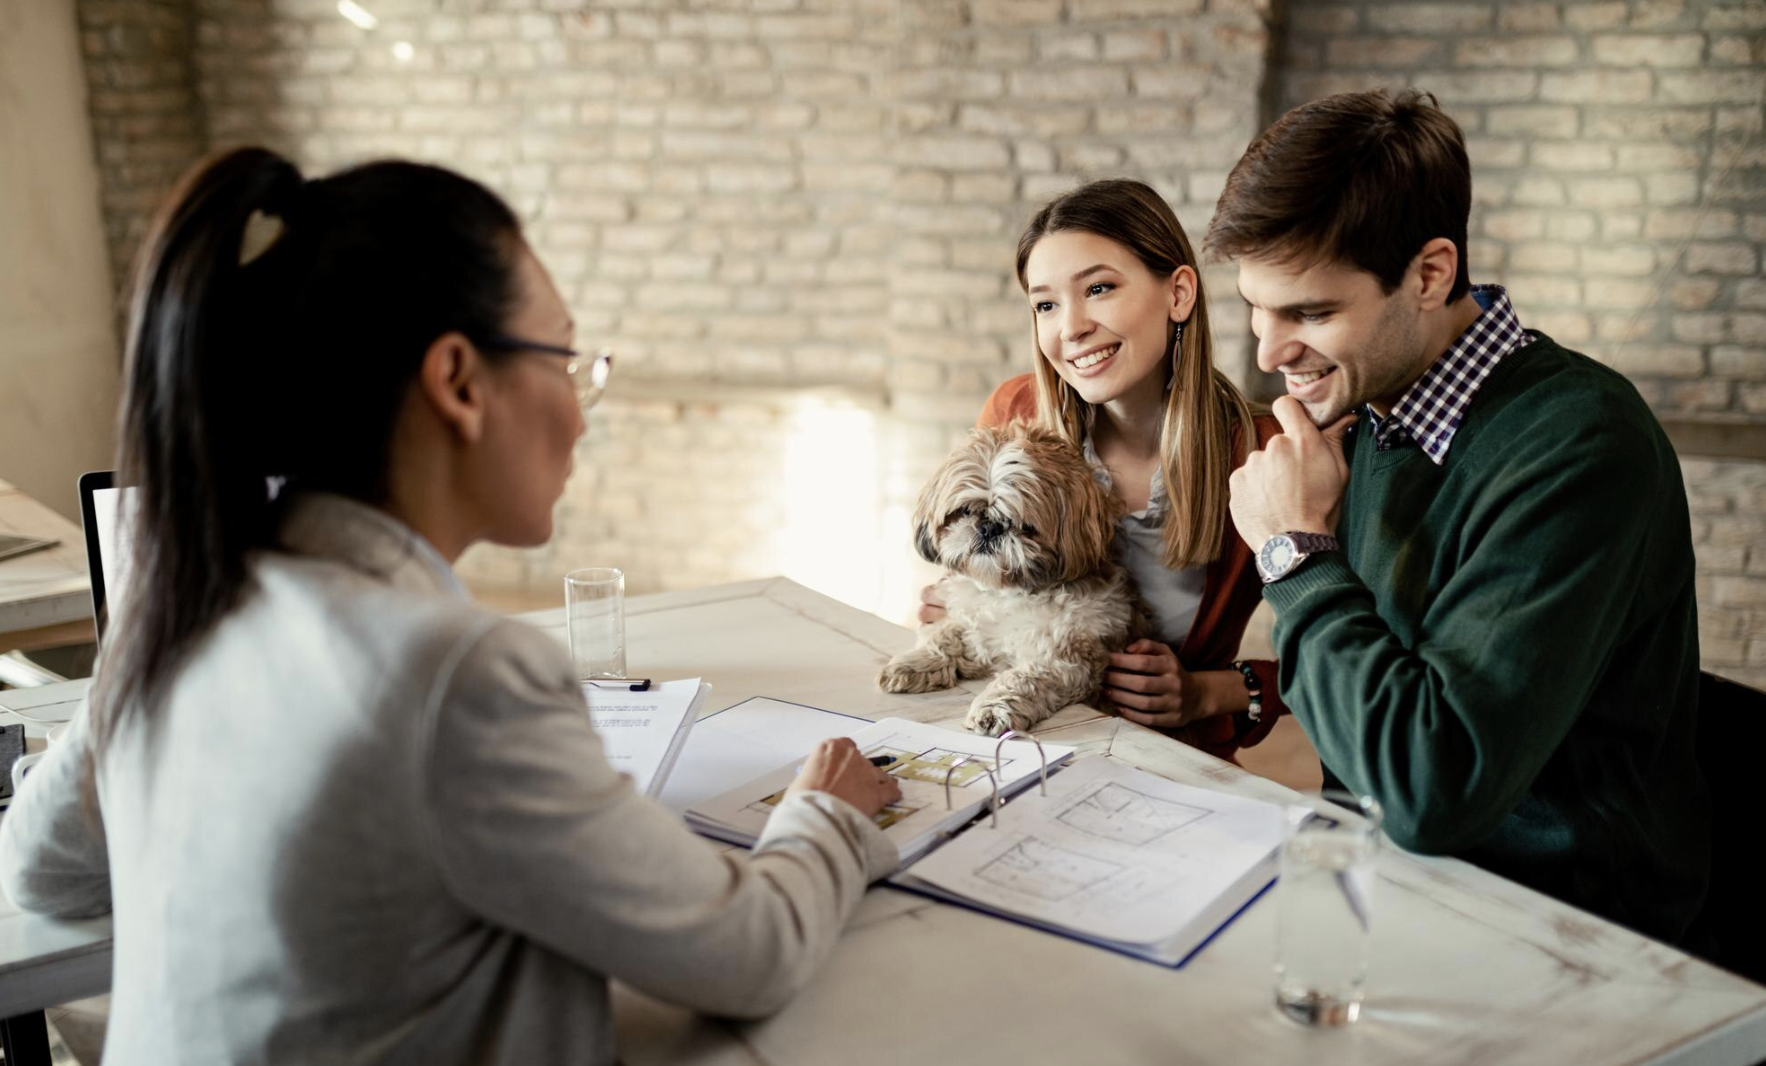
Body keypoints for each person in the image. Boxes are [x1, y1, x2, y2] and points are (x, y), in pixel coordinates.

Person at [0, 147, 903, 1063]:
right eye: (564, 358)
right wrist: (824, 812)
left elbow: (37, 868)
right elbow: (749, 952)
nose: (582, 411)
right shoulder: (457, 675)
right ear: (459, 382)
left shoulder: (187, 603)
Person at [1209, 88, 1709, 943]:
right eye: (1258, 308)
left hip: (1563, 933)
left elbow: (1429, 791)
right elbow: (1357, 726)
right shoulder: (1364, 412)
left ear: (1430, 274)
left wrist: (1296, 554)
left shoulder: (1581, 444)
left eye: (1312, 313)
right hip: (1384, 883)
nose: (1267, 351)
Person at [923, 179, 1290, 761]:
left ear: (1179, 294)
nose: (1071, 328)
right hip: (1012, 745)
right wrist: (961, 601)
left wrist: (1210, 692)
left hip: (1162, 762)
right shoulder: (1016, 411)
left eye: (1098, 288)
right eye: (1046, 304)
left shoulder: (1263, 451)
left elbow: (1347, 648)